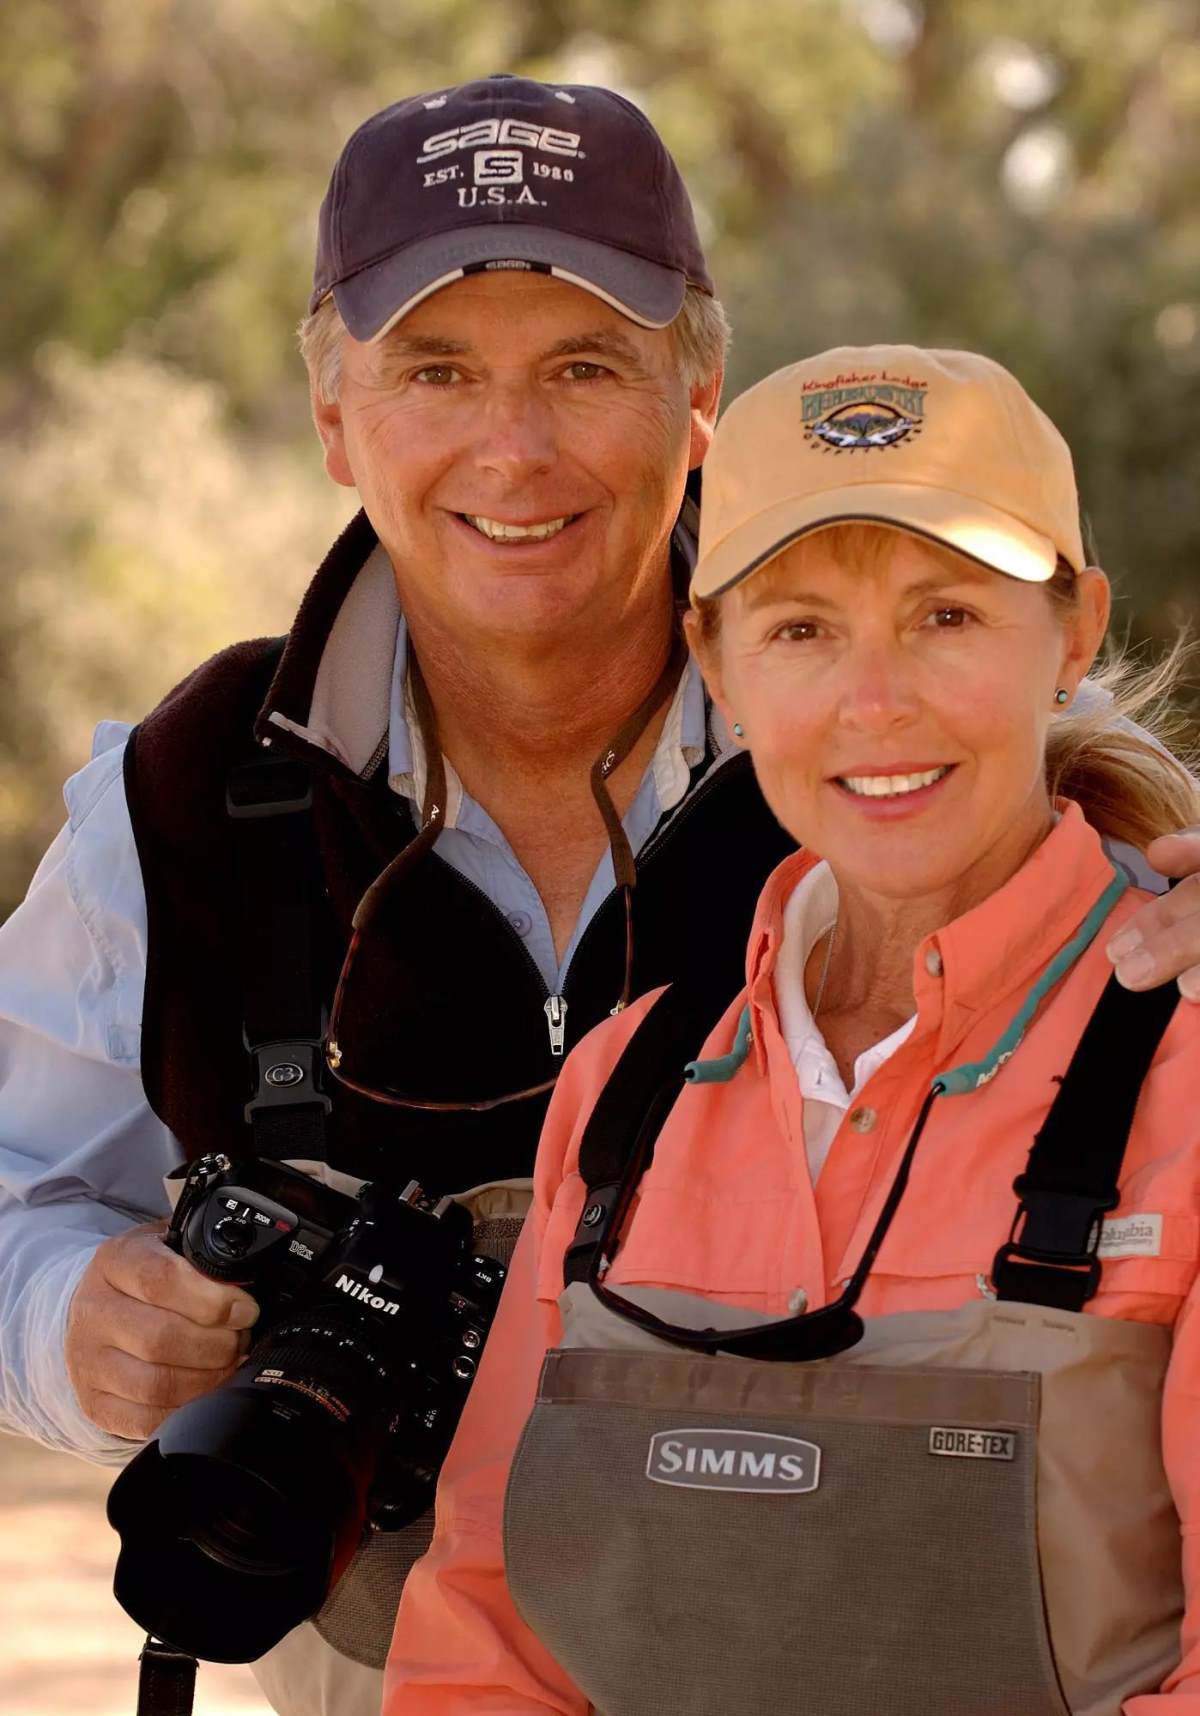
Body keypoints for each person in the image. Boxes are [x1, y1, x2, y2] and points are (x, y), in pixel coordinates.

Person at [0, 74, 1196, 1713]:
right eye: (435, 371)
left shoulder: (936, 743)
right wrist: (73, 1324)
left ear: (698, 395)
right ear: (334, 416)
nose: (516, 446)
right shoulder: (184, 796)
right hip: (377, 1647)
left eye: (584, 367)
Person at [383, 346, 1200, 1716]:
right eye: (803, 630)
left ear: (1071, 634)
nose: (874, 704)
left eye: (945, 617)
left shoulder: (1181, 1064)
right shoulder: (629, 1082)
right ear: (718, 660)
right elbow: (490, 1628)